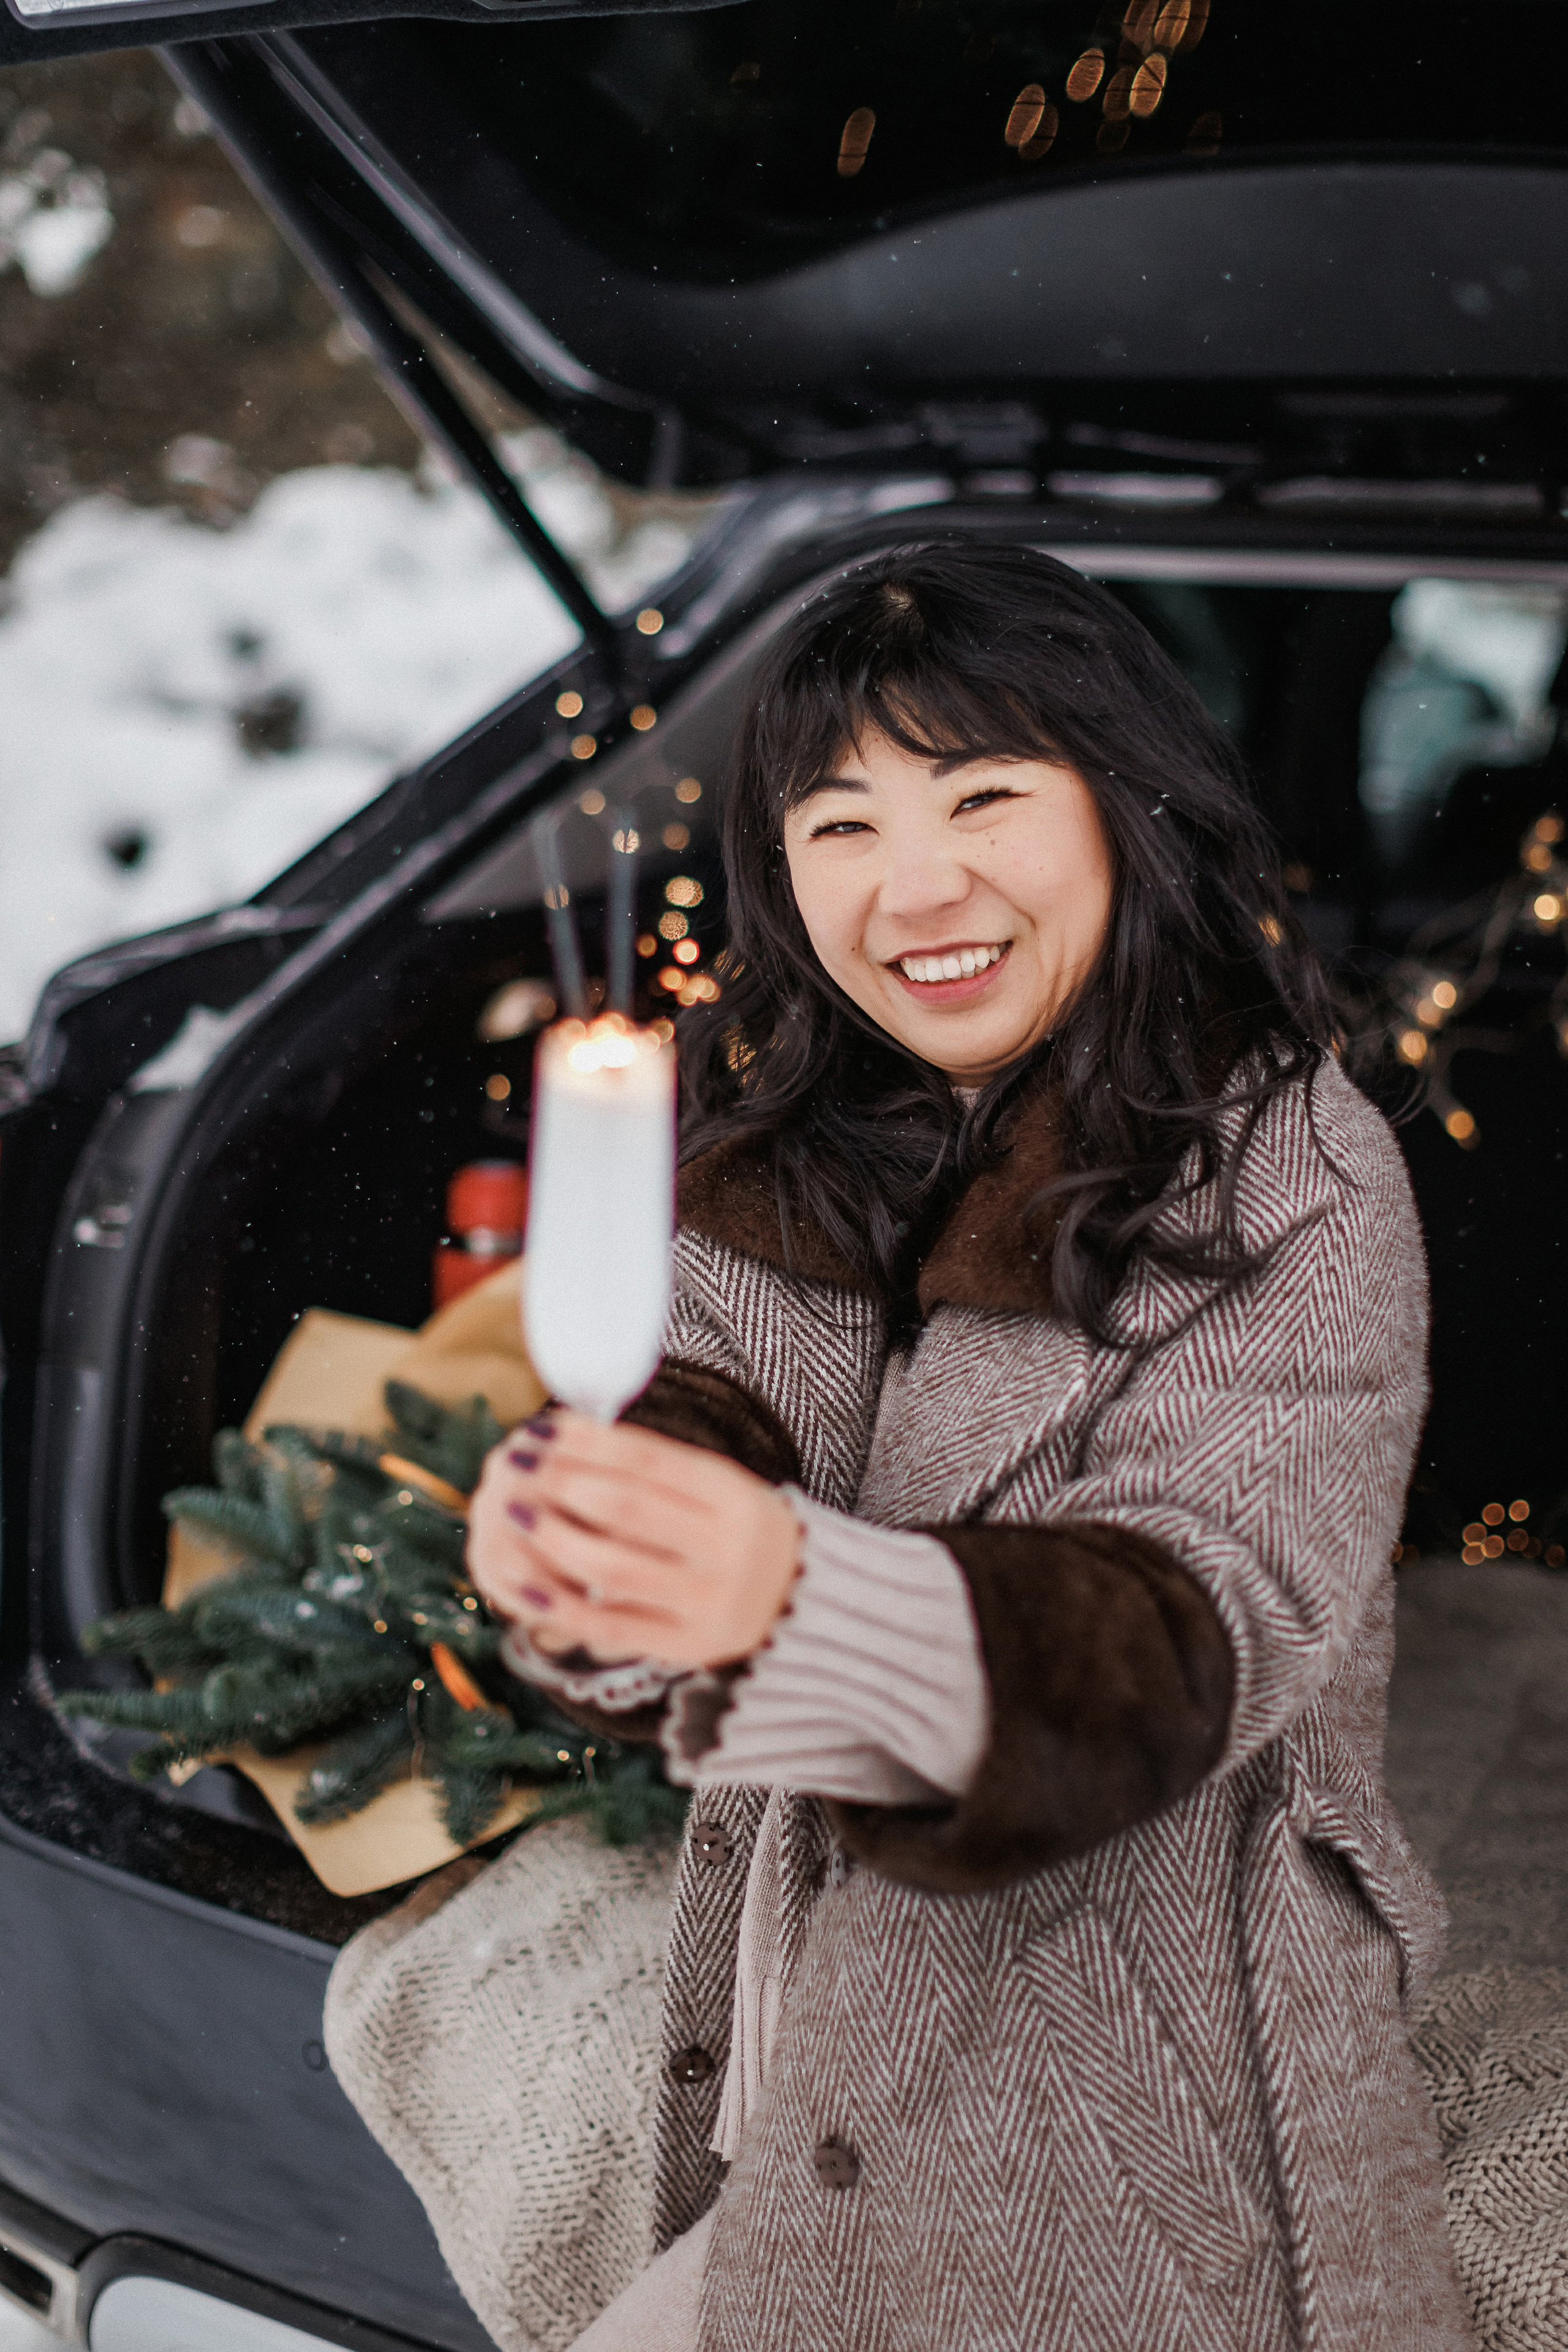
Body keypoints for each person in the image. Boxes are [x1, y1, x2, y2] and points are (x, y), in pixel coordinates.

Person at [466, 542, 1474, 2351]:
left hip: (1135, 2111)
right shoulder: (783, 1150)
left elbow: (1197, 1631)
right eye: (840, 824)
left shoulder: (1294, 1167)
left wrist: (790, 1590)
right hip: (801, 2049)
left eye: (984, 795)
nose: (913, 885)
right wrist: (590, 1563)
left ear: (1129, 802)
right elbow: (700, 1420)